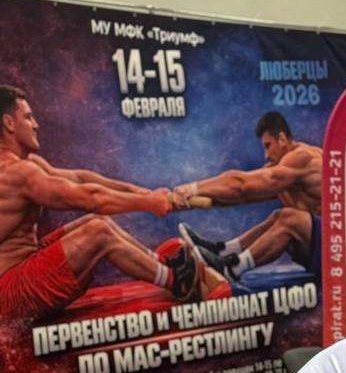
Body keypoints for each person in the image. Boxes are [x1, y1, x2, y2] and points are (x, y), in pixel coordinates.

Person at [0, 84, 200, 319]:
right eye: (28, 117)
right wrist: (148, 203)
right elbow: (89, 197)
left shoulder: (28, 163)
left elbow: (80, 179)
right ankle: (178, 281)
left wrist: (142, 193)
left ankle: (163, 263)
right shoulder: (16, 173)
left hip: (23, 267)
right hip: (8, 296)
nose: (36, 124)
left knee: (97, 221)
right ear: (9, 123)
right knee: (98, 232)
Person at [174, 111, 323, 282]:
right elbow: (243, 197)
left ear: (282, 139)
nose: (266, 155)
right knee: (278, 216)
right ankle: (223, 251)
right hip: (322, 249)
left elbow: (242, 187)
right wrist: (191, 201)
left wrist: (192, 188)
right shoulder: (284, 171)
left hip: (338, 250)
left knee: (289, 218)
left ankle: (231, 269)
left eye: (268, 145)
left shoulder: (302, 158)